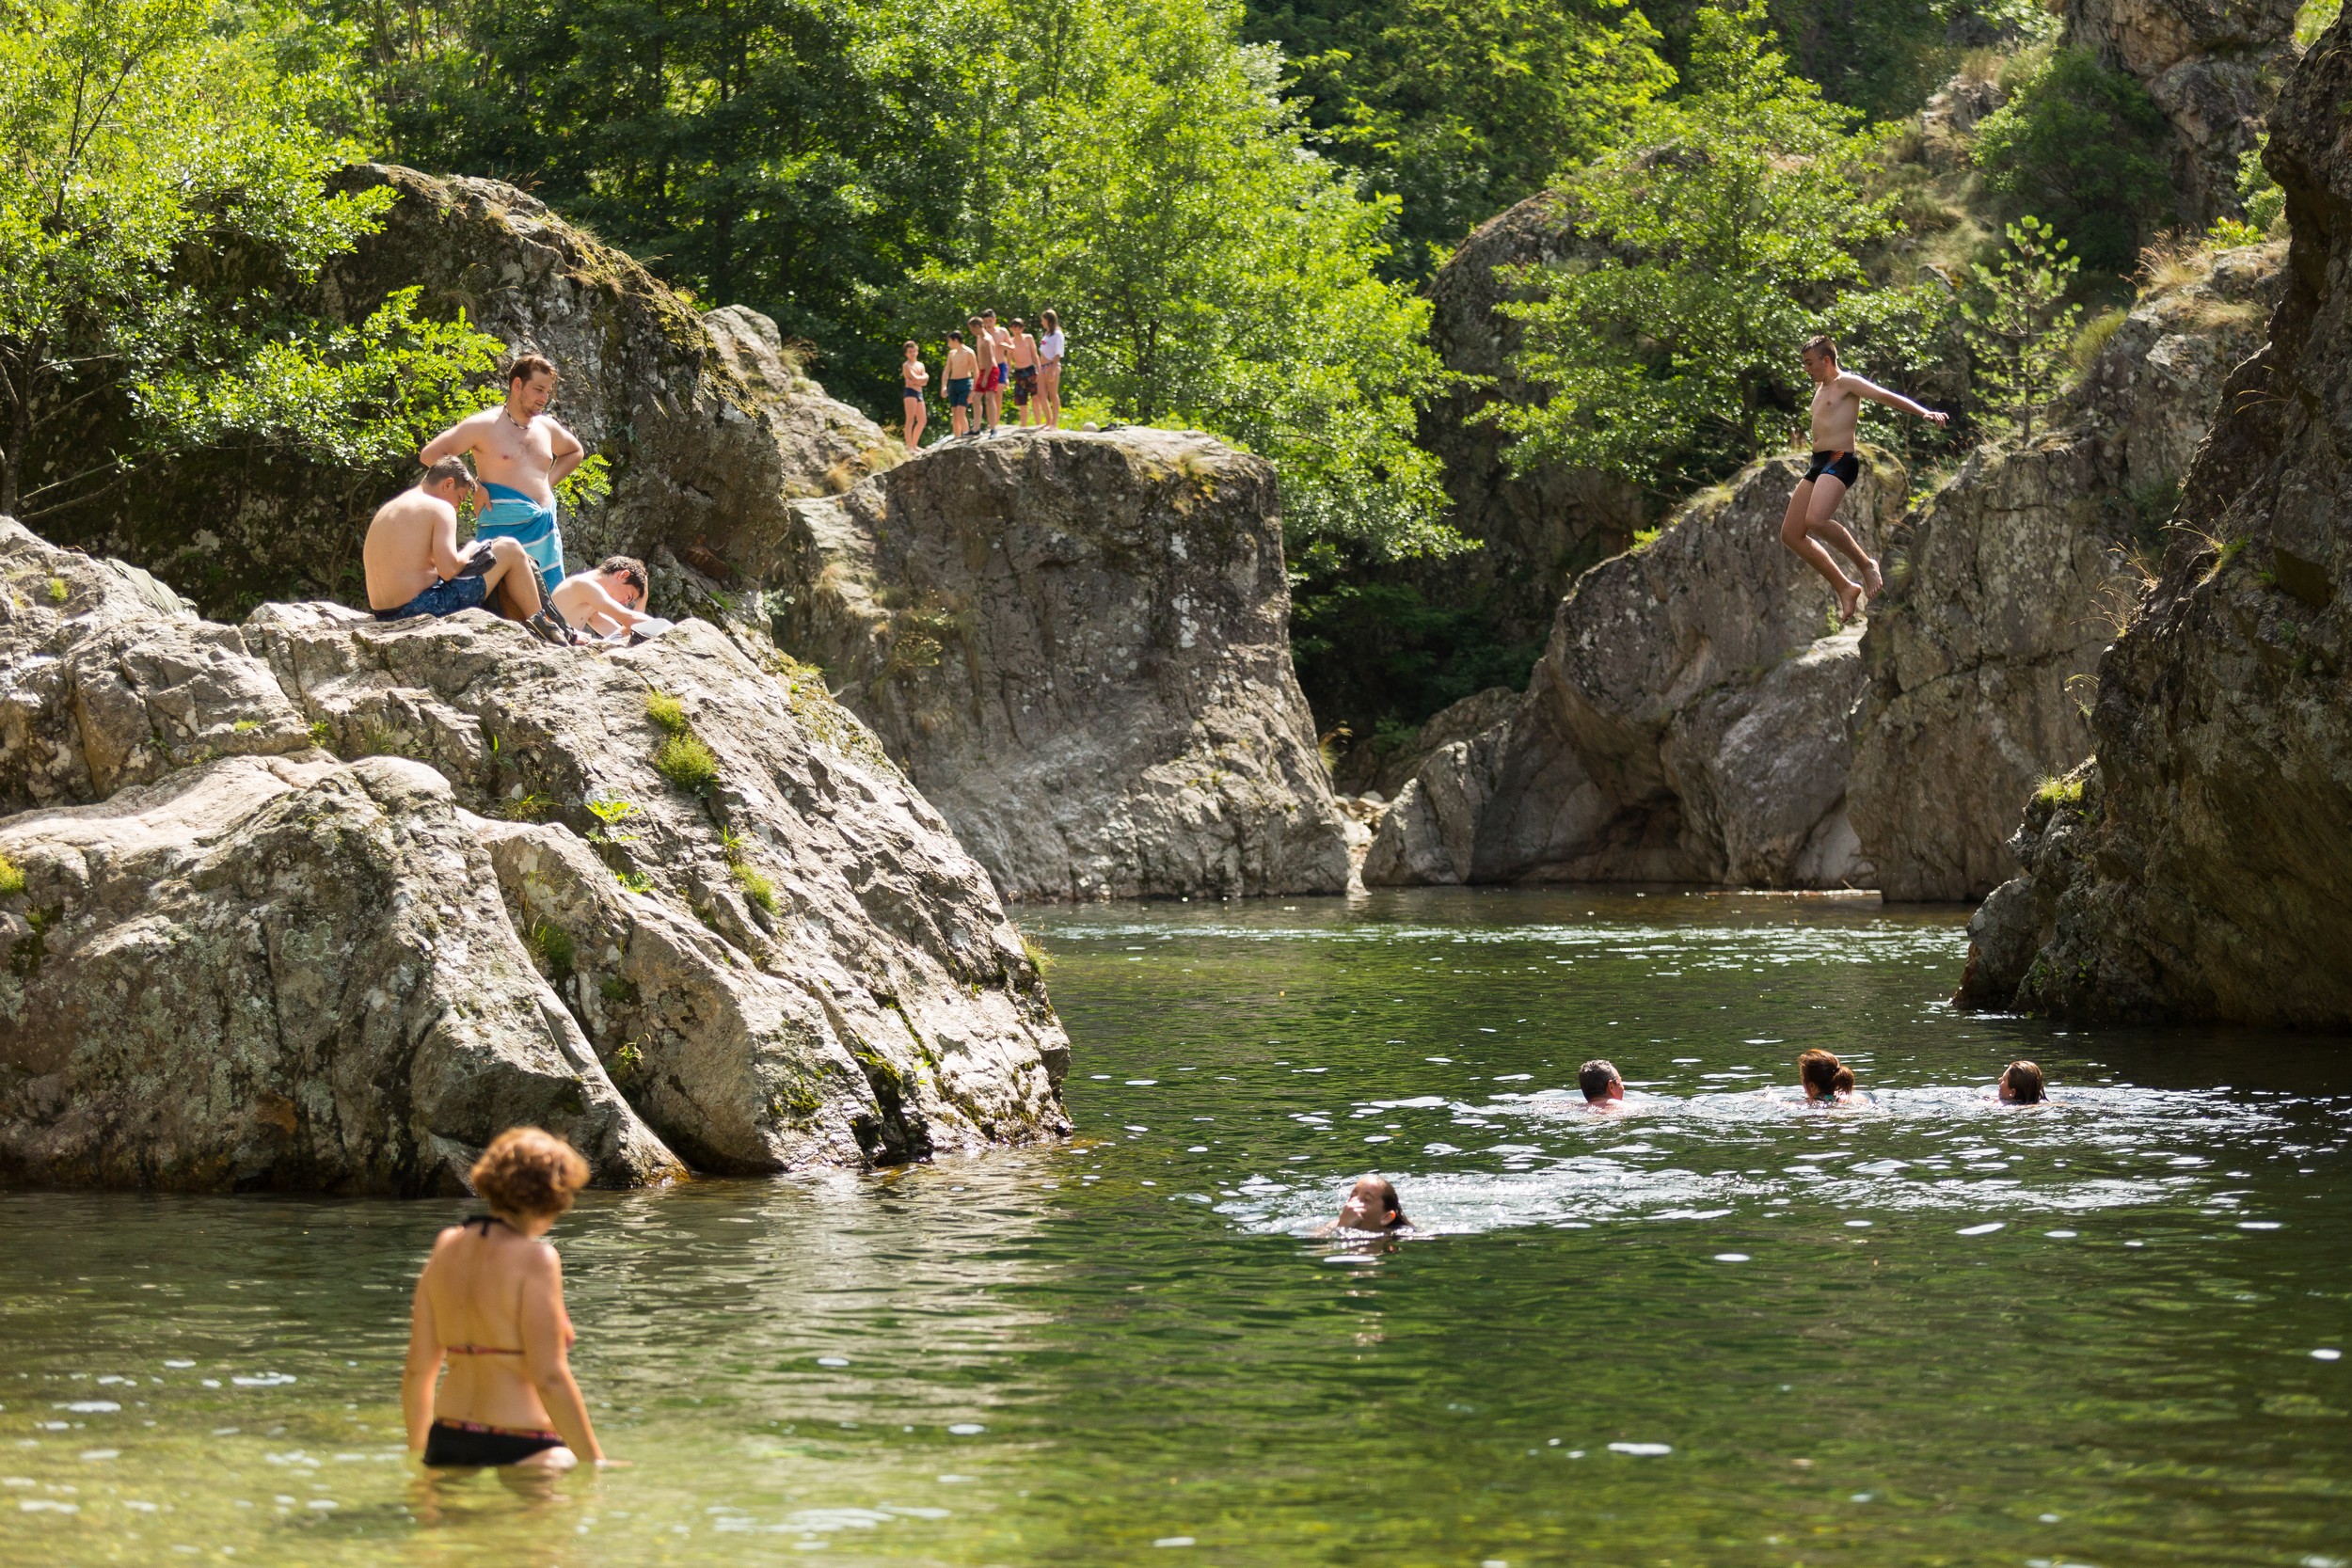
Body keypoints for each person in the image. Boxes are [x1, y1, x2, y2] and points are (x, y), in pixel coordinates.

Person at [403, 1128, 609, 1469]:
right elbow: (550, 1376)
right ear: (555, 1195)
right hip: (525, 1441)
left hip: (449, 1435)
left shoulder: (446, 1246)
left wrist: (421, 1454)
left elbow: (417, 1371)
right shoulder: (537, 1259)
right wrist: (595, 1462)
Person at [1785, 335, 1947, 624]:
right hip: (1818, 462)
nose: (1806, 369)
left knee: (1816, 520)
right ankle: (1845, 587)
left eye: (1809, 363)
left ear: (1826, 360)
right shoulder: (1820, 389)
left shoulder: (1847, 383)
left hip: (1840, 459)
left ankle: (1866, 564)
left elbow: (1885, 396)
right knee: (1791, 534)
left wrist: (1925, 413)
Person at [420, 353, 585, 601]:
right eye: (539, 390)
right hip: (502, 526)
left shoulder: (546, 427)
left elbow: (575, 451)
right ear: (517, 385)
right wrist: (473, 486)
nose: (544, 399)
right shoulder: (484, 425)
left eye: (548, 393)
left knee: (549, 604)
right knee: (501, 601)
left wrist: (547, 485)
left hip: (544, 529)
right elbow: (430, 454)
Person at [364, 456, 564, 639]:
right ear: (448, 484)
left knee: (499, 549)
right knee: (510, 548)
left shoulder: (391, 508)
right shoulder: (440, 508)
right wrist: (470, 549)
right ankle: (544, 625)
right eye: (460, 499)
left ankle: (544, 623)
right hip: (420, 609)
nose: (457, 509)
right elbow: (449, 570)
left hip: (384, 615)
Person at [551, 556, 656, 641]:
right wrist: (668, 629)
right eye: (628, 597)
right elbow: (629, 620)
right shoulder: (584, 585)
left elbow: (628, 634)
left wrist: (643, 598)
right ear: (623, 575)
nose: (624, 603)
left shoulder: (591, 609)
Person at [1317, 1174, 1411, 1235]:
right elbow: (1320, 1253)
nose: (1353, 1202)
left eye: (1366, 1200)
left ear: (1386, 1217)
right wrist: (1342, 1227)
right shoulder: (1332, 1227)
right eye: (1353, 1195)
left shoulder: (1402, 1234)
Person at [969, 314, 1001, 435]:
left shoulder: (987, 339)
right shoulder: (979, 338)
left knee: (989, 398)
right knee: (976, 398)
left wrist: (986, 377)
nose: (972, 332)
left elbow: (991, 360)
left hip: (991, 370)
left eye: (972, 329)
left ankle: (993, 428)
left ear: (977, 326)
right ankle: (976, 428)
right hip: (983, 371)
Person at [1007, 317, 1040, 428]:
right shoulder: (1010, 342)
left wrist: (1039, 371)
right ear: (1011, 329)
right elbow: (1009, 360)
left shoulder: (1028, 338)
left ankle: (1038, 423)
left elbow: (1035, 354)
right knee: (1022, 400)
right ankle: (1024, 425)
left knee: (1035, 397)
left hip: (1030, 370)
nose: (1017, 330)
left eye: (1019, 327)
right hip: (1019, 371)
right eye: (1014, 327)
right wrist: (1006, 376)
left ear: (1022, 328)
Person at [944, 330, 977, 438]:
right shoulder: (952, 353)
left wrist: (974, 390)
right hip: (953, 383)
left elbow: (976, 371)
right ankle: (957, 437)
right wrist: (944, 386)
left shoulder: (969, 352)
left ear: (955, 340)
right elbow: (946, 370)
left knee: (960, 411)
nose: (948, 344)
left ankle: (967, 435)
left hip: (965, 383)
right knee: (955, 413)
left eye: (949, 341)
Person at [1037, 309, 1065, 429]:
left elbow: (1058, 352)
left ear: (1048, 320)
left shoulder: (1057, 334)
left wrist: (1053, 369)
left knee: (1053, 394)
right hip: (1042, 367)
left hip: (1051, 366)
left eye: (1043, 319)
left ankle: (1054, 423)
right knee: (1041, 394)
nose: (1041, 322)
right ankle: (1048, 421)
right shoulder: (1047, 333)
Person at [900, 340, 930, 451]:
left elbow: (925, 382)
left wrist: (921, 379)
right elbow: (918, 378)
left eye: (914, 351)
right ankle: (909, 447)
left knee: (922, 420)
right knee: (910, 419)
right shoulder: (906, 365)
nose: (912, 353)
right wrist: (923, 378)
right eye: (910, 351)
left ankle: (914, 444)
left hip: (919, 392)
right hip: (910, 393)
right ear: (906, 354)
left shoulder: (920, 365)